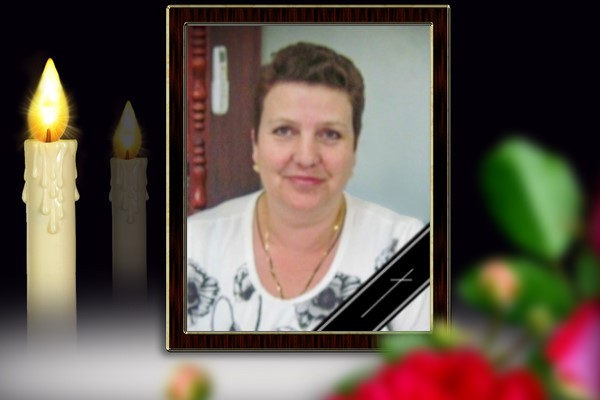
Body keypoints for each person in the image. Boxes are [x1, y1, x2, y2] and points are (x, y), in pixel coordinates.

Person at [187, 42, 430, 331]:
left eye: (330, 134)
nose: (306, 157)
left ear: (354, 148)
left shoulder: (407, 250)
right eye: (284, 130)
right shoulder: (192, 246)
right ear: (255, 145)